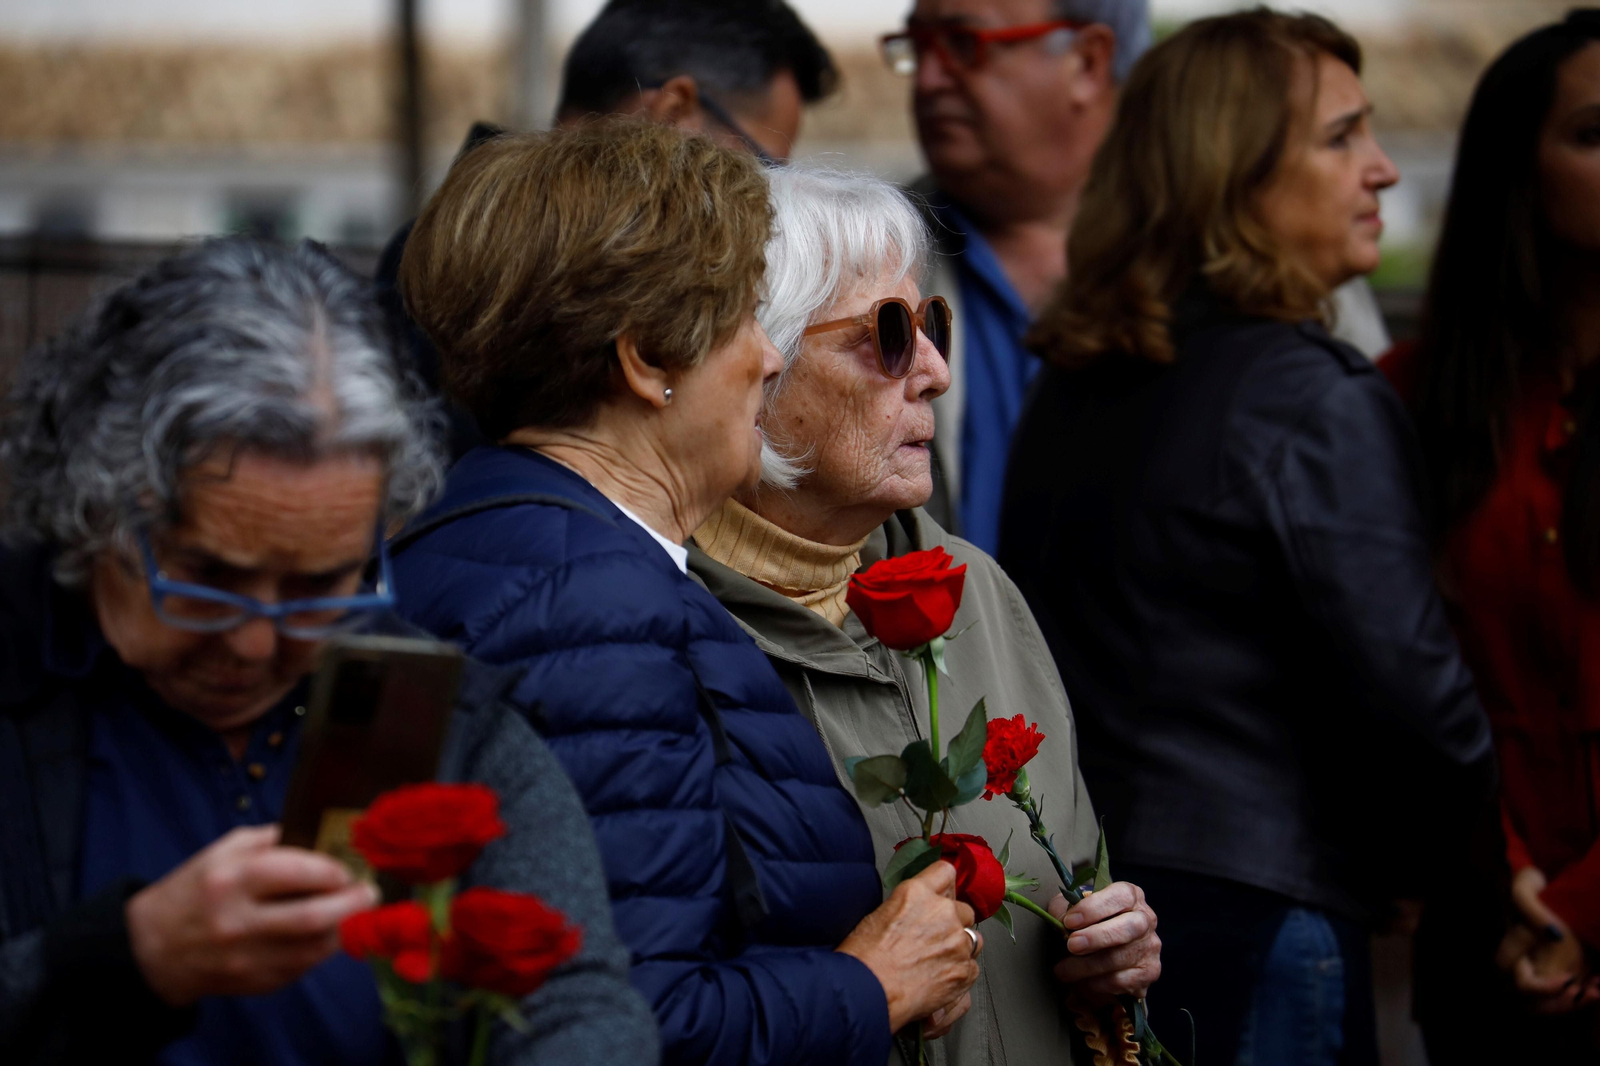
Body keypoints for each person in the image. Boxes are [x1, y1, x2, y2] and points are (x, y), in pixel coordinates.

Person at [387, 120, 982, 1066]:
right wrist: (874, 983)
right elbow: (620, 1019)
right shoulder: (586, 609)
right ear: (649, 360)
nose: (772, 356)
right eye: (748, 314)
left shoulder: (499, 546)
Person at [0, 238, 658, 1065]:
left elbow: (580, 1001)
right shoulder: (23, 677)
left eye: (317, 587)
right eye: (207, 577)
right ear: (94, 507)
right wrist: (128, 957)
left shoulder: (423, 709)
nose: (253, 641)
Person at [998, 11, 1496, 1065]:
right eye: (1340, 137)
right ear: (1229, 174)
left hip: (1110, 908)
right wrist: (1496, 878)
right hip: (1269, 908)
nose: (1383, 172)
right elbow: (1417, 699)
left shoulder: (1075, 381)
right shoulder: (1306, 394)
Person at [688, 164, 1162, 1066]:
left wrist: (1111, 953)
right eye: (890, 335)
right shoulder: (670, 619)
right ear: (757, 368)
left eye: (932, 324)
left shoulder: (972, 585)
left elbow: (1075, 872)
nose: (938, 373)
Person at [1381, 10, 1600, 1057]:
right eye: (1594, 133)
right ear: (1519, 169)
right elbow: (1400, 670)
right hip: (1486, 932)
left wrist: (1580, 909)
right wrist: (1495, 869)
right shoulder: (1411, 400)